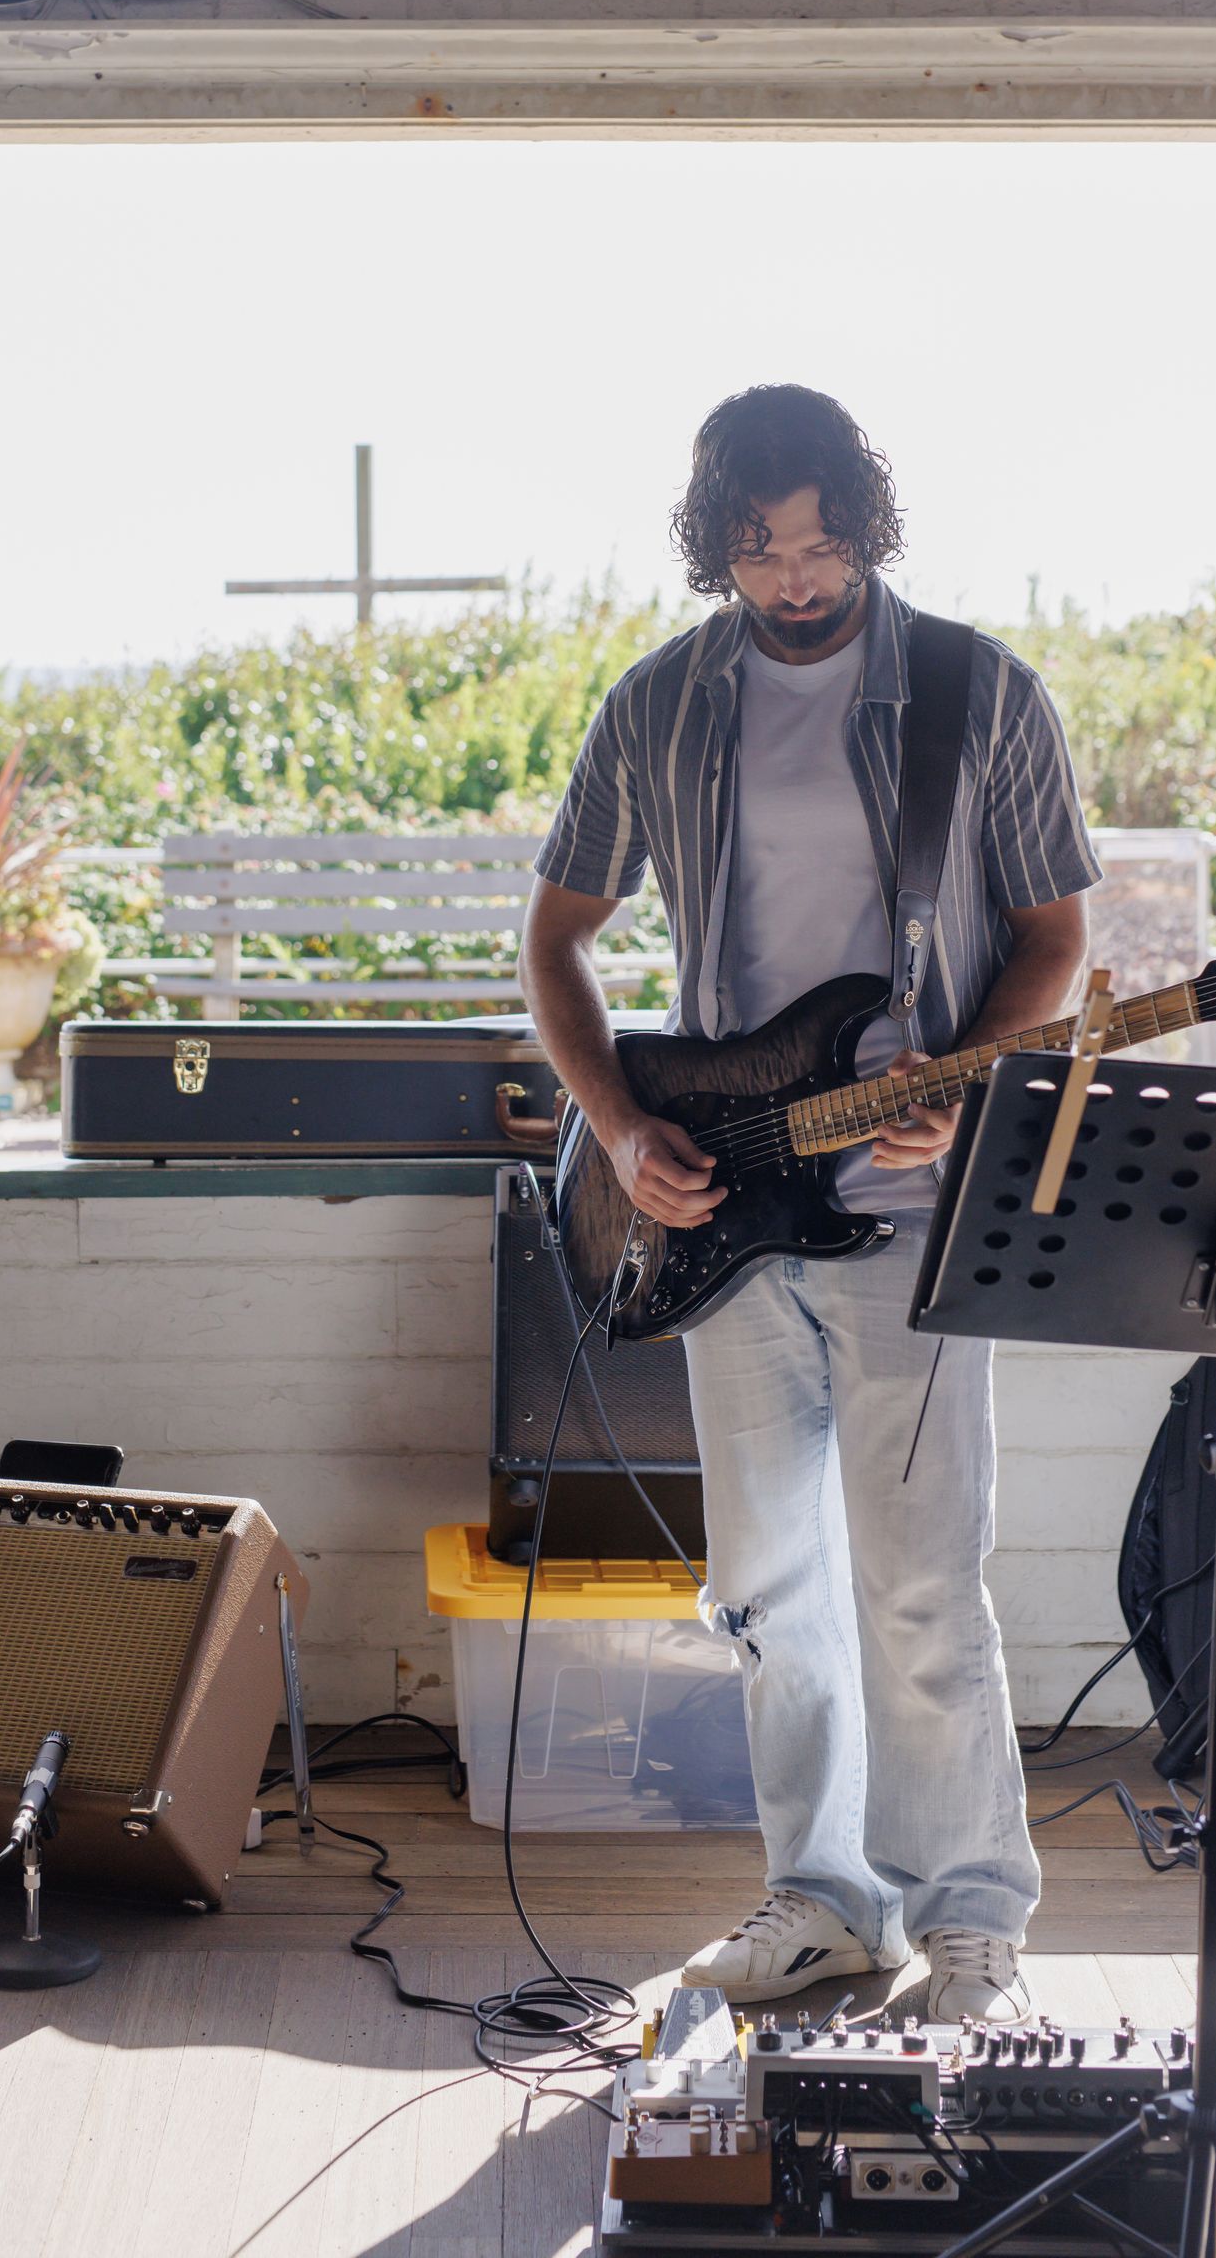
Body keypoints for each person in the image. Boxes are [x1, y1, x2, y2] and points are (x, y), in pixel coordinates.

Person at [519, 384, 1100, 2024]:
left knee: (919, 1576)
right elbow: (555, 941)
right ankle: (826, 1897)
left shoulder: (977, 691)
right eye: (762, 546)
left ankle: (972, 1916)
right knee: (767, 1587)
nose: (796, 574)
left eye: (823, 535)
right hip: (715, 1205)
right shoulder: (658, 706)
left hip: (910, 1201)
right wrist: (623, 1128)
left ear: (868, 517)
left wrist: (973, 1075)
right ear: (720, 543)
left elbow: (1055, 936)